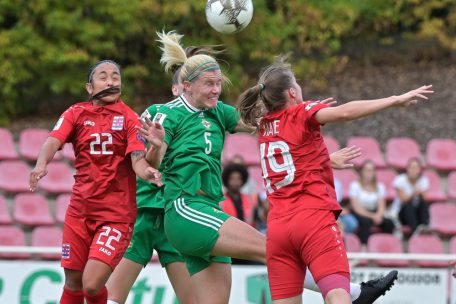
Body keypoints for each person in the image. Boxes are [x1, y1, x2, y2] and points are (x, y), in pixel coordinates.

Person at [138, 31, 403, 304]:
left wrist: (316, 153)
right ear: (186, 85)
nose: (216, 90)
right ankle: (354, 293)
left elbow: (272, 129)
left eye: (219, 83)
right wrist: (156, 147)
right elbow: (152, 165)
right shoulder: (166, 113)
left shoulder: (217, 111)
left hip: (208, 213)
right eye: (209, 84)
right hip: (187, 210)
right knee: (276, 251)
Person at [236, 57, 433, 304]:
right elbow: (347, 112)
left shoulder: (264, 126)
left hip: (278, 229)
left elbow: (290, 164)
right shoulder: (301, 113)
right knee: (338, 296)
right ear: (292, 92)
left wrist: (323, 160)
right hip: (312, 220)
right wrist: (395, 100)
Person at [29, 60, 162, 304]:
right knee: (73, 282)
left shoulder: (130, 119)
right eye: (103, 76)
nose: (111, 81)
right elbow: (53, 139)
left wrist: (149, 173)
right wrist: (41, 164)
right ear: (89, 87)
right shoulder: (75, 113)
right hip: (79, 213)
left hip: (115, 216)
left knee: (91, 285)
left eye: (115, 77)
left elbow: (137, 161)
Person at [106, 35, 224, 304]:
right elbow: (143, 160)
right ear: (178, 89)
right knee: (112, 296)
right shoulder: (158, 114)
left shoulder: (208, 120)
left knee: (193, 300)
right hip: (144, 211)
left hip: (177, 216)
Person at [349, 160, 395, 248]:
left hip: (374, 211)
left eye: (371, 170)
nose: (369, 173)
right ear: (362, 172)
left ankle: (386, 246)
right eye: (367, 170)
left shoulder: (380, 186)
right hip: (359, 212)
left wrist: (378, 215)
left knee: (389, 223)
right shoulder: (355, 186)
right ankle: (364, 247)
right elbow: (356, 208)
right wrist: (372, 216)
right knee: (366, 222)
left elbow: (382, 206)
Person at [392, 157, 430, 233]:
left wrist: (421, 193)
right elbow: (403, 200)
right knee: (408, 205)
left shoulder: (423, 180)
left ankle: (424, 227)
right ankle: (416, 231)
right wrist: (413, 193)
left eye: (416, 168)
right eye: (412, 167)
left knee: (423, 204)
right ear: (407, 169)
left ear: (419, 170)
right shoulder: (400, 179)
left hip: (416, 213)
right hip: (402, 213)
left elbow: (426, 199)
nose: (413, 170)